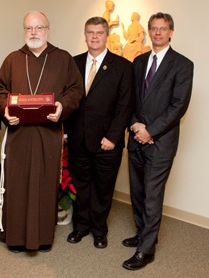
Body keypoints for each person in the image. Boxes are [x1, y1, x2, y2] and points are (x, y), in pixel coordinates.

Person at [0, 10, 83, 253]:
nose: (33, 33)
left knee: (44, 185)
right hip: (18, 135)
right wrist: (5, 110)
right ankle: (15, 237)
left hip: (48, 134)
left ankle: (42, 237)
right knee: (17, 184)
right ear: (24, 31)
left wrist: (62, 106)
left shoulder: (63, 58)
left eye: (38, 28)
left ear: (47, 30)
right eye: (29, 28)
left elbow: (76, 90)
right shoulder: (13, 59)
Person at [122, 12, 193, 270]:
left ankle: (146, 250)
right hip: (136, 139)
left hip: (160, 143)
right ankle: (142, 234)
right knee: (138, 192)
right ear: (148, 31)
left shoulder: (183, 65)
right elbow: (129, 100)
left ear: (171, 32)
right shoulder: (138, 62)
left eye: (163, 28)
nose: (158, 33)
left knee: (152, 195)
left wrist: (150, 131)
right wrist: (135, 126)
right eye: (153, 28)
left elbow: (178, 107)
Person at [64, 17, 133, 249]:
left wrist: (113, 137)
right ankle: (81, 227)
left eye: (99, 32)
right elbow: (68, 101)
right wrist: (64, 131)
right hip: (77, 139)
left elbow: (125, 106)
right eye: (90, 32)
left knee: (103, 188)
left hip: (107, 142)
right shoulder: (72, 63)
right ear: (85, 36)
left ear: (107, 36)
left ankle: (99, 230)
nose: (94, 36)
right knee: (81, 186)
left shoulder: (123, 67)